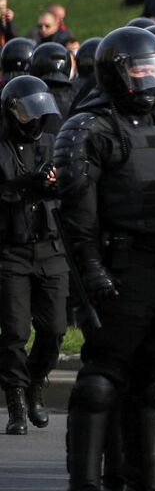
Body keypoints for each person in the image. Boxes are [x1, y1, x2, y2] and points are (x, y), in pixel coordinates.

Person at [53, 27, 155, 491]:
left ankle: (147, 480)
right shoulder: (88, 128)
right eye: (139, 68)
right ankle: (86, 487)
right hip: (119, 264)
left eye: (154, 67)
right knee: (102, 379)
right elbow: (76, 216)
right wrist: (91, 272)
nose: (149, 77)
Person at [0, 74, 66, 437]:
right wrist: (28, 184)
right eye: (28, 115)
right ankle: (15, 402)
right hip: (12, 250)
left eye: (40, 114)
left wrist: (57, 182)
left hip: (51, 248)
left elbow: (73, 189)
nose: (35, 121)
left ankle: (35, 381)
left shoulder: (54, 143)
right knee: (14, 331)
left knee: (54, 329)